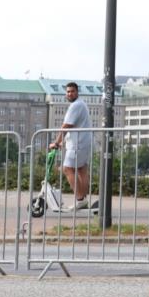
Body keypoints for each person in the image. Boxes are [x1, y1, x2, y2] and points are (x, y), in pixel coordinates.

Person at [49, 82, 93, 210]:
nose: (70, 94)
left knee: (67, 169)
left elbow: (66, 126)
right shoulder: (81, 104)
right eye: (68, 91)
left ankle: (80, 199)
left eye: (72, 91)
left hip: (78, 144)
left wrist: (56, 142)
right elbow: (76, 125)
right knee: (81, 170)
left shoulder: (76, 105)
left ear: (77, 92)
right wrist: (64, 142)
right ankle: (83, 199)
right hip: (82, 141)